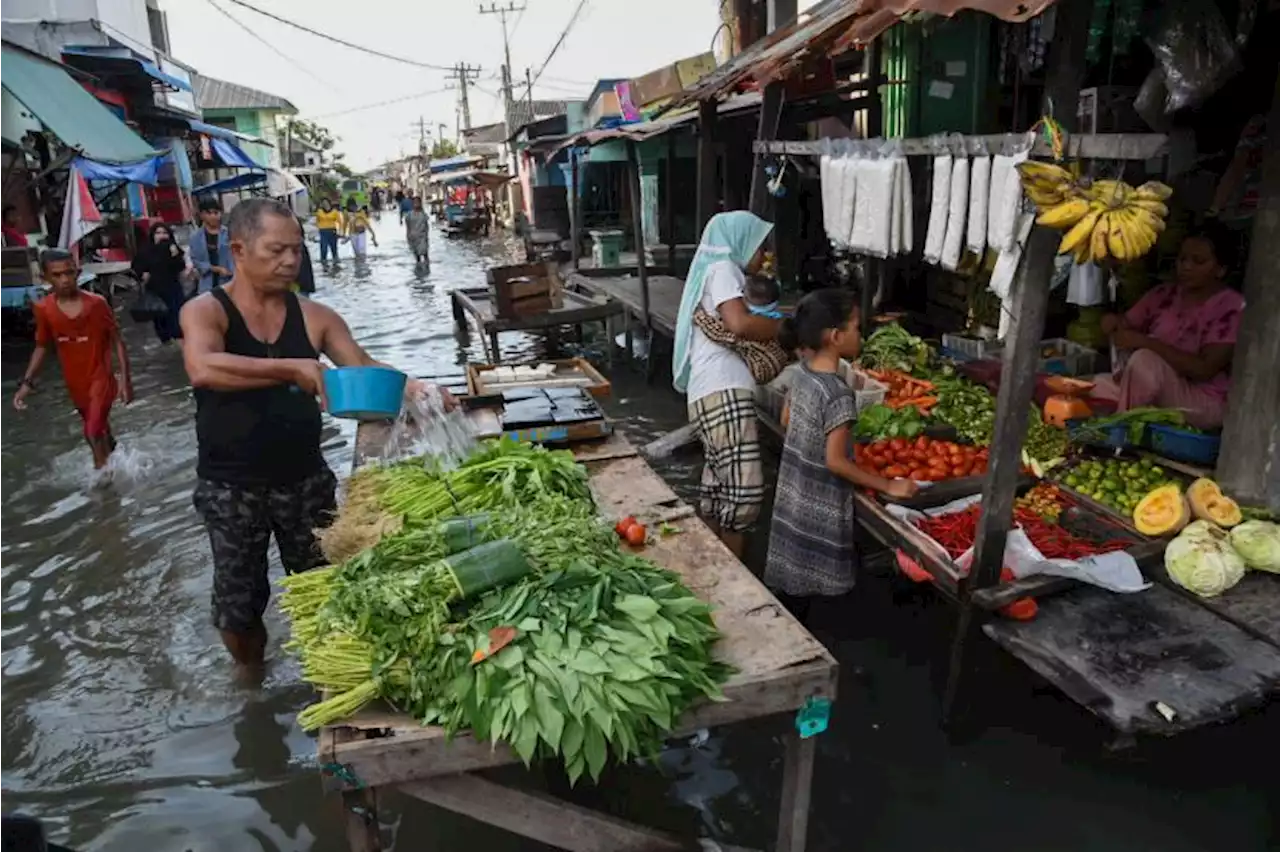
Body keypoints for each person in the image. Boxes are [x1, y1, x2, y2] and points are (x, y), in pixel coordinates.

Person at [179, 198, 454, 673]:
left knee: (328, 582)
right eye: (276, 250)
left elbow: (363, 367)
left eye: (297, 250)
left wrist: (419, 390)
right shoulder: (206, 311)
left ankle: (328, 670)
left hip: (304, 478)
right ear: (239, 250)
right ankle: (251, 680)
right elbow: (203, 368)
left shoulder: (315, 316)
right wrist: (292, 367)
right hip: (231, 484)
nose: (290, 261)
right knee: (238, 604)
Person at [762, 289, 917, 619]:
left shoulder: (802, 372)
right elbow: (835, 462)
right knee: (819, 586)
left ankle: (792, 616)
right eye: (856, 327)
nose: (860, 334)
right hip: (820, 501)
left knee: (795, 575)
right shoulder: (838, 394)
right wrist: (889, 485)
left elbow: (787, 420)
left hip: (794, 494)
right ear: (835, 336)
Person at [672, 211, 781, 558]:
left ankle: (711, 569)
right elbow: (739, 324)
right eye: (759, 246)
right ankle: (736, 582)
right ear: (740, 241)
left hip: (709, 393)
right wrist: (786, 329)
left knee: (720, 490)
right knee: (743, 495)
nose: (762, 255)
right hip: (725, 394)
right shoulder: (723, 270)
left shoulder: (714, 270)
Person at [1094, 227, 1244, 430]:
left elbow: (1204, 369)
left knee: (1145, 361)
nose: (1186, 267)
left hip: (1202, 401)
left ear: (1221, 269)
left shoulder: (1231, 307)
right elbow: (1127, 324)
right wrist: (1114, 324)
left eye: (1198, 262)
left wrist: (1145, 342)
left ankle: (1122, 433)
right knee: (1094, 386)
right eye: (1182, 259)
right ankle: (1128, 419)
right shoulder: (1164, 294)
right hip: (1156, 390)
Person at [13, 249, 134, 469]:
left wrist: (125, 381)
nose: (65, 280)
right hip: (75, 381)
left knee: (92, 430)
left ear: (77, 273)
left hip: (101, 376)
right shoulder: (44, 309)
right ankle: (115, 460)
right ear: (45, 278)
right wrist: (27, 384)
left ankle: (104, 487)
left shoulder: (96, 304)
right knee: (95, 430)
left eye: (69, 273)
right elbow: (42, 346)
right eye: (57, 275)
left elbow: (117, 341)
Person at [692, 274, 791, 383]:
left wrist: (701, 317)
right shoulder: (776, 317)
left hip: (763, 366)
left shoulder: (747, 325)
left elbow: (719, 334)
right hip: (781, 361)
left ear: (744, 300)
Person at [132, 222, 191, 343]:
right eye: (158, 233)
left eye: (164, 233)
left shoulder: (173, 248)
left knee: (177, 319)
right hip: (155, 290)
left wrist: (175, 255)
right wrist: (142, 274)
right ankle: (166, 341)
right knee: (161, 322)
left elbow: (180, 267)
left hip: (173, 289)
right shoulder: (146, 251)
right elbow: (136, 266)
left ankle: (180, 342)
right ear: (153, 235)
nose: (161, 235)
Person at [188, 198, 235, 293]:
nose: (214, 216)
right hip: (207, 283)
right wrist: (216, 269)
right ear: (201, 215)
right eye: (209, 213)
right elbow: (196, 260)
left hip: (230, 281)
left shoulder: (229, 233)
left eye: (216, 212)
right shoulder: (195, 237)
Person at [314, 197, 343, 265]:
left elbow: (340, 222)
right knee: (324, 247)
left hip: (332, 231)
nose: (325, 204)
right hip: (323, 231)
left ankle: (335, 261)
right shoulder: (319, 211)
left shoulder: (334, 211)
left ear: (329, 203)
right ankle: (324, 261)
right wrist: (318, 227)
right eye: (323, 203)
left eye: (326, 203)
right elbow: (317, 221)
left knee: (333, 247)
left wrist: (340, 231)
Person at [404, 196, 430, 266]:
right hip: (413, 237)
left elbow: (427, 226)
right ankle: (419, 267)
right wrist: (408, 236)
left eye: (417, 202)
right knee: (417, 255)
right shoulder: (409, 215)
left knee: (424, 253)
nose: (416, 204)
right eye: (415, 202)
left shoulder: (423, 214)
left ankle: (427, 267)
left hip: (422, 237)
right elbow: (408, 226)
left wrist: (426, 236)